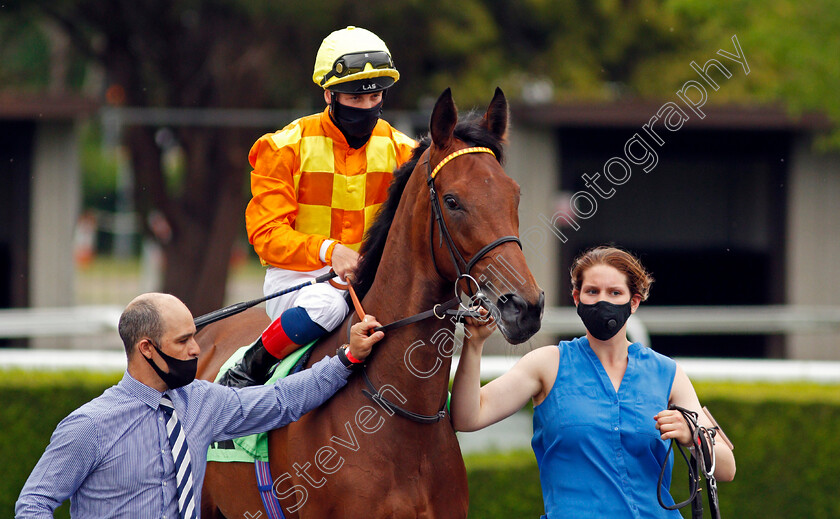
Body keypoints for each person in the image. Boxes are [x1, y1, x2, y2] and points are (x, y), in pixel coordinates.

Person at [15, 292, 384, 518]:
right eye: (184, 341)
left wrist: (347, 357)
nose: (196, 350)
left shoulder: (202, 401)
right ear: (147, 349)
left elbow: (281, 400)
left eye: (194, 336)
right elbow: (33, 505)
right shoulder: (88, 427)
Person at [451, 246, 736, 518]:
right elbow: (468, 416)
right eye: (592, 291)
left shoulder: (668, 373)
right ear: (576, 298)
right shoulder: (547, 364)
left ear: (634, 301)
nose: (603, 301)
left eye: (615, 292)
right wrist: (473, 345)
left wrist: (692, 436)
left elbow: (726, 468)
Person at [218, 25, 416, 388]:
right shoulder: (283, 148)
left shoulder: (404, 153)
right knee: (328, 306)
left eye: (375, 99)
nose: (368, 108)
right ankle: (248, 369)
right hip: (301, 278)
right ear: (329, 93)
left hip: (373, 279)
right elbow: (265, 234)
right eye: (355, 99)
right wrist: (329, 251)